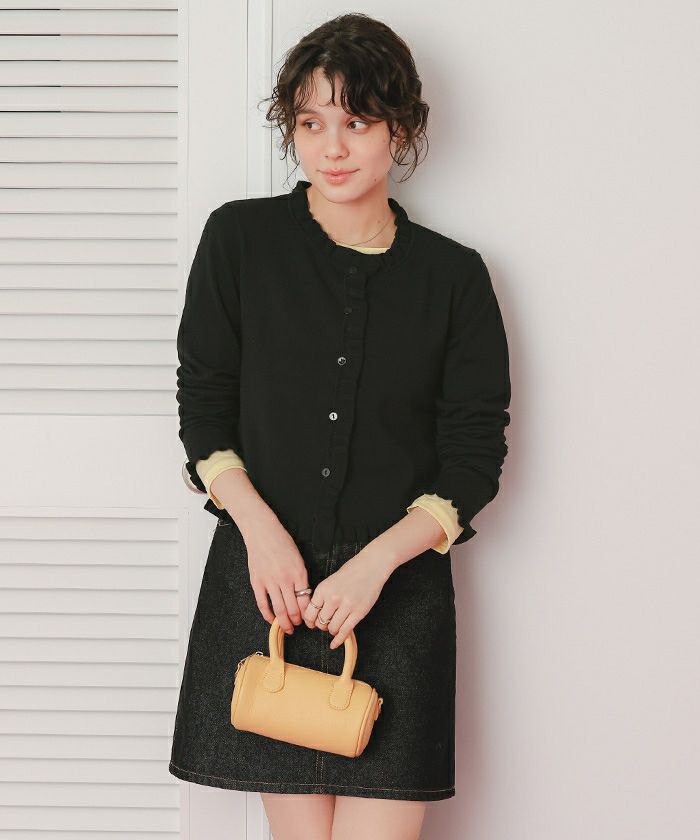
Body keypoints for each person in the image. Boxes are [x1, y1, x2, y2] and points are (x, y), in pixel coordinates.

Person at [169, 12, 511, 840]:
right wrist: (258, 532)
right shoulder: (239, 240)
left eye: (356, 123)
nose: (332, 147)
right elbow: (204, 406)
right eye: (311, 123)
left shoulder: (454, 278)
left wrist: (374, 566)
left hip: (396, 594)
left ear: (402, 128)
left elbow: (474, 456)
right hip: (270, 589)